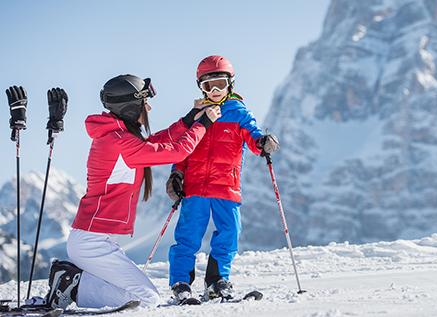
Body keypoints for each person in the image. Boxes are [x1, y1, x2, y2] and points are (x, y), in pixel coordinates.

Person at [43, 74, 222, 309]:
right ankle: (73, 285)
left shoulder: (119, 138)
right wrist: (203, 125)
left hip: (94, 238)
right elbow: (176, 152)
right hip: (92, 241)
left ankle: (72, 281)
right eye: (144, 102)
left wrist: (189, 119)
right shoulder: (118, 142)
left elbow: (158, 142)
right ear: (129, 108)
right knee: (147, 299)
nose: (148, 107)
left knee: (135, 293)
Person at [166, 55, 280, 303]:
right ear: (201, 88)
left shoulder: (238, 113)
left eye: (220, 83)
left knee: (229, 232)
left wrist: (262, 143)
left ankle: (217, 281)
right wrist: (177, 173)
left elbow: (252, 136)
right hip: (195, 187)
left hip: (225, 186)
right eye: (209, 86)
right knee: (188, 235)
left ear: (231, 84)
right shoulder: (196, 115)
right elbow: (184, 148)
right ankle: (181, 282)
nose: (215, 90)